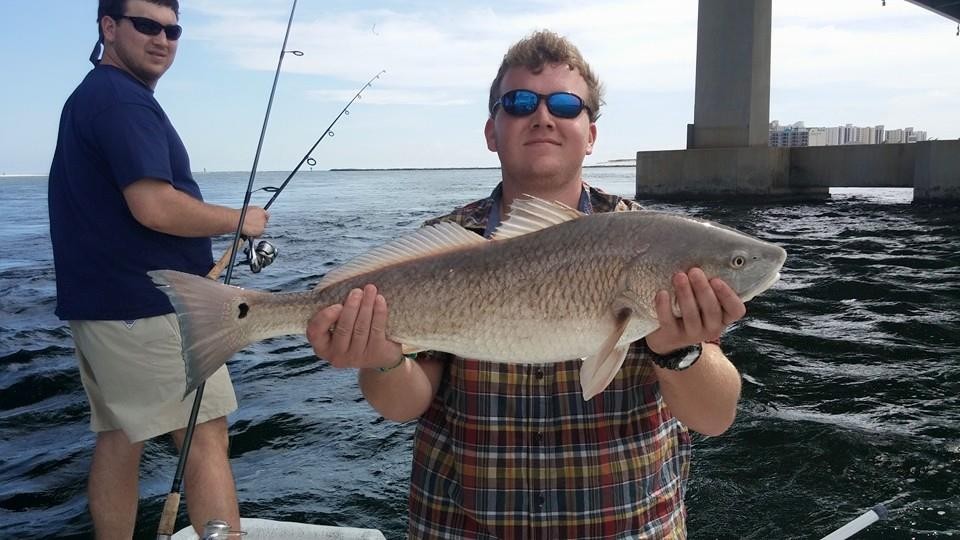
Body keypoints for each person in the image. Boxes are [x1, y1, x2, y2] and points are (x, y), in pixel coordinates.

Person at [306, 30, 744, 538]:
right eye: (518, 103)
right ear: (492, 131)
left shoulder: (657, 240)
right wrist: (381, 359)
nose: (542, 117)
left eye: (564, 104)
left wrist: (676, 350)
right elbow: (403, 403)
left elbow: (714, 417)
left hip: (627, 526)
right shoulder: (447, 245)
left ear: (592, 134)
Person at [47, 1, 268, 537]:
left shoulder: (91, 98)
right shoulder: (122, 101)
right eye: (146, 25)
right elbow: (154, 204)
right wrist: (242, 220)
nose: (162, 39)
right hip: (149, 310)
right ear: (108, 27)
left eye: (173, 30)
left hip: (104, 311)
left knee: (120, 438)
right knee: (205, 438)